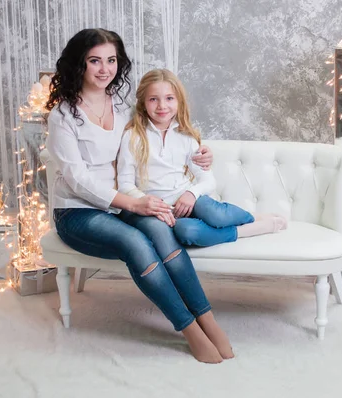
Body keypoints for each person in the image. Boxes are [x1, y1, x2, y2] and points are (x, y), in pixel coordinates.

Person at [44, 28, 231, 363]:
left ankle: (208, 320)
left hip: (122, 203)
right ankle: (189, 329)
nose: (104, 69)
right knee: (136, 243)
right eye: (94, 61)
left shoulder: (122, 106)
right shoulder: (62, 116)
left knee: (161, 230)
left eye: (111, 60)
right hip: (78, 211)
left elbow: (167, 129)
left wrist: (202, 155)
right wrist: (133, 202)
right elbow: (76, 178)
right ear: (79, 64)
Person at [117, 68, 287, 247]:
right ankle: (246, 230)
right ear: (143, 103)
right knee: (187, 232)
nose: (162, 106)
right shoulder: (133, 136)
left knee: (216, 214)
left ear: (179, 101)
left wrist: (192, 193)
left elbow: (207, 180)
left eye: (169, 98)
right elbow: (125, 183)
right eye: (153, 99)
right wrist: (147, 203)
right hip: (159, 209)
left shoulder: (186, 136)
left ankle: (253, 219)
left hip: (190, 200)